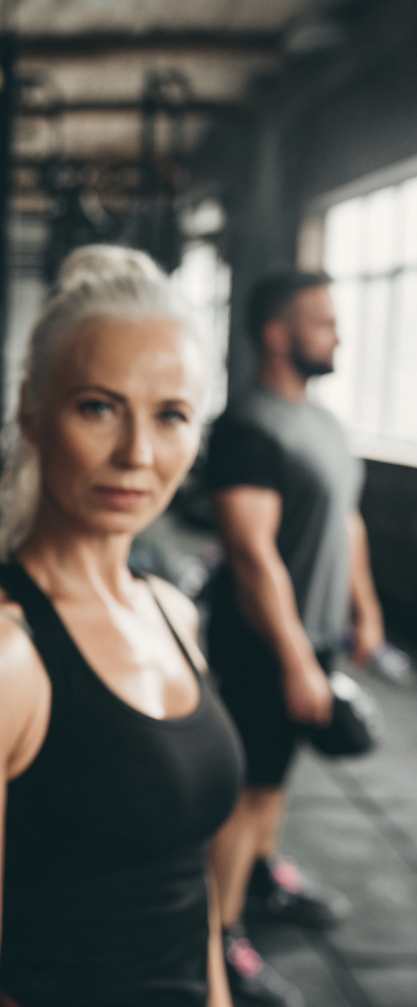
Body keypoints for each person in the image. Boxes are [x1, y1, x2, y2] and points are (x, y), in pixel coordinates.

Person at [0, 245, 244, 1007]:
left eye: (172, 416)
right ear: (31, 410)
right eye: (98, 407)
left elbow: (190, 887)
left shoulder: (173, 612)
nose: (137, 454)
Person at [205, 271, 384, 1006]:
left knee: (275, 778)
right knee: (247, 787)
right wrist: (293, 658)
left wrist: (364, 607)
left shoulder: (325, 424)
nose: (338, 334)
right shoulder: (249, 427)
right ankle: (220, 937)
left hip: (314, 636)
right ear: (279, 335)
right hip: (262, 641)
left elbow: (347, 519)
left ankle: (261, 876)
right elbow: (252, 554)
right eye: (324, 322)